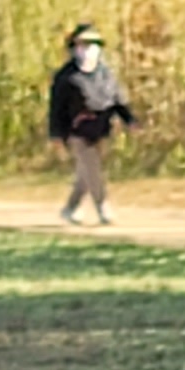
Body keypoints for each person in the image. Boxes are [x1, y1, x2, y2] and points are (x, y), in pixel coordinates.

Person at [45, 26, 135, 225]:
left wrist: (130, 120)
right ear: (74, 48)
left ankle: (70, 208)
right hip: (77, 132)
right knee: (92, 169)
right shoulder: (66, 77)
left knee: (86, 172)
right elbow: (57, 107)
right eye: (83, 45)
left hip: (101, 128)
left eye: (93, 44)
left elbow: (118, 99)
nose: (88, 49)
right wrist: (56, 134)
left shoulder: (106, 74)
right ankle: (102, 206)